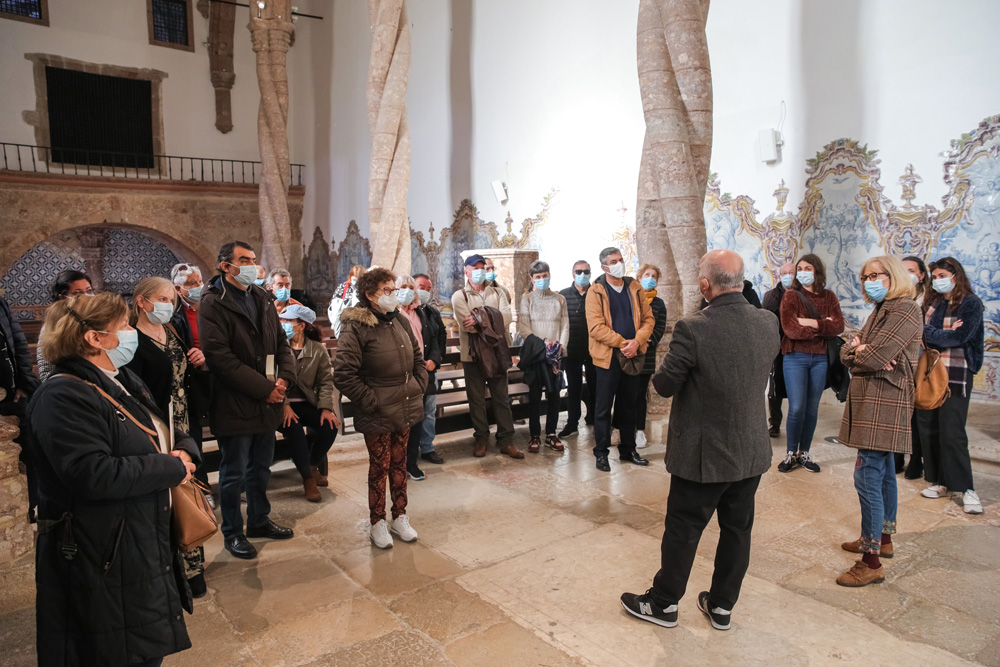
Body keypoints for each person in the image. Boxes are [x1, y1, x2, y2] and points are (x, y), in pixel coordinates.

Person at [27, 292, 200, 666]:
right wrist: (172, 468)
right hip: (102, 548)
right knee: (117, 651)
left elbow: (160, 425)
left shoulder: (117, 377)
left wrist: (186, 449)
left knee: (139, 644)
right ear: (94, 338)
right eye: (124, 326)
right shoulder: (62, 395)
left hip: (135, 538)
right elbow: (93, 474)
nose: (131, 331)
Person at [620, 250, 778, 632]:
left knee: (684, 528)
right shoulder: (768, 322)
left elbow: (664, 384)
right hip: (751, 449)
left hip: (704, 452)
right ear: (741, 280)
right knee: (737, 530)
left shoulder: (694, 327)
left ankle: (663, 604)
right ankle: (722, 606)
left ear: (705, 285)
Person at [199, 241, 297, 560]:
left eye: (253, 261)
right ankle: (233, 532)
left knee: (261, 467)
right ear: (225, 266)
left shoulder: (261, 296)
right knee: (234, 473)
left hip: (267, 399)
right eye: (243, 260)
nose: (251, 266)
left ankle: (258, 520)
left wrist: (284, 378)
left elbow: (281, 341)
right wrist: (264, 388)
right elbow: (220, 357)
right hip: (235, 400)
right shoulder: (213, 302)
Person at [835, 255, 922, 587]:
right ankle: (881, 540)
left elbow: (874, 356)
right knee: (883, 470)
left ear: (893, 275)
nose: (868, 280)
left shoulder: (904, 309)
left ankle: (870, 561)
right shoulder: (882, 309)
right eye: (864, 276)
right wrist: (860, 351)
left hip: (884, 402)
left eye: (875, 274)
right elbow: (848, 349)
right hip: (873, 398)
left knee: (867, 475)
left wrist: (863, 352)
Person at [125, 276, 208, 597]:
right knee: (165, 495)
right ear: (142, 302)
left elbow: (180, 371)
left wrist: (196, 362)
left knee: (189, 492)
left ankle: (193, 565)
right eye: (160, 298)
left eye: (171, 299)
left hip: (184, 423)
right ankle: (169, 567)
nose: (168, 305)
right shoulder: (131, 338)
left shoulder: (172, 329)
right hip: (157, 426)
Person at [333, 267, 428, 549]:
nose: (393, 295)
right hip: (377, 410)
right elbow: (344, 374)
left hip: (405, 404)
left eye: (393, 289)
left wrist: (418, 385)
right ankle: (377, 522)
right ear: (370, 295)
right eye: (387, 290)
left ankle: (400, 516)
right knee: (380, 467)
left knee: (400, 464)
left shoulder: (398, 319)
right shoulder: (356, 326)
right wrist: (371, 400)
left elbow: (417, 358)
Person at [916, 257, 985, 515]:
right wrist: (940, 335)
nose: (938, 279)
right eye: (935, 275)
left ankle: (966, 488)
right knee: (929, 428)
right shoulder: (932, 302)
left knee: (953, 432)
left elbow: (961, 336)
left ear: (955, 275)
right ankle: (940, 481)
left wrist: (937, 335)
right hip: (930, 372)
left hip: (957, 373)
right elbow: (923, 333)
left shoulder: (970, 303)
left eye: (942, 274)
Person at [586, 247, 654, 472]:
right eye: (613, 261)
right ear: (604, 267)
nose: (619, 263)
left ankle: (628, 449)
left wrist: (637, 341)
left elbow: (648, 319)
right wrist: (624, 343)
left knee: (629, 405)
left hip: (633, 355)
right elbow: (596, 328)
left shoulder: (634, 287)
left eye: (621, 259)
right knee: (603, 408)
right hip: (608, 357)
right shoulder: (595, 291)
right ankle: (601, 453)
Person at [777, 253, 845, 474]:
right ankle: (790, 454)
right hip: (795, 357)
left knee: (811, 409)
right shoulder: (791, 296)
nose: (803, 272)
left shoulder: (829, 296)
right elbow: (790, 328)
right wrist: (822, 326)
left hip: (820, 359)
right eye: (800, 268)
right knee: (796, 408)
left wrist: (810, 323)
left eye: (808, 268)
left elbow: (838, 327)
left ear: (817, 271)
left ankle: (804, 453)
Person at [452, 254, 523, 459]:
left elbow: (507, 318)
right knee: (477, 399)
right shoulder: (460, 296)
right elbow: (467, 326)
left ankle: (506, 440)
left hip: (497, 353)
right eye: (475, 267)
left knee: (501, 398)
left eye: (482, 267)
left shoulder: (498, 292)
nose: (480, 270)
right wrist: (492, 318)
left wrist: (481, 319)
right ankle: (481, 439)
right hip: (472, 356)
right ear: (466, 270)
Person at [278, 304, 340, 502]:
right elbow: (272, 380)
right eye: (282, 321)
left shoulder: (317, 350)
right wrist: (284, 406)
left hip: (307, 403)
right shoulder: (278, 347)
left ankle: (312, 465)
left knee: (330, 426)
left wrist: (325, 408)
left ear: (301, 325)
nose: (284, 324)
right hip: (280, 405)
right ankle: (308, 480)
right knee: (294, 429)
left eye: (288, 321)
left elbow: (325, 381)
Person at [518, 260, 569, 452]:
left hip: (555, 355)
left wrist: (560, 347)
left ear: (549, 275)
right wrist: (543, 344)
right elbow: (523, 326)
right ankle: (534, 435)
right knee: (534, 396)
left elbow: (565, 326)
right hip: (536, 354)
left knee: (554, 395)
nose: (541, 279)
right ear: (532, 279)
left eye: (544, 275)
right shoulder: (528, 299)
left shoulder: (559, 299)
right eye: (537, 277)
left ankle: (551, 434)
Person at [169, 262, 212, 489]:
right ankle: (201, 486)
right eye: (191, 284)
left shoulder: (212, 308)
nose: (197, 286)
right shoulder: (175, 316)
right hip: (191, 384)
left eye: (199, 281)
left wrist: (207, 355)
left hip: (216, 377)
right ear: (179, 290)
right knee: (193, 436)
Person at [0, 293, 41, 521]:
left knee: (27, 456)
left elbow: (18, 342)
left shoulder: (1, 303)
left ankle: (29, 510)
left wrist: (24, 380)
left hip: (15, 397)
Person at [395, 274, 431, 480]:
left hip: (419, 372)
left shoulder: (420, 313)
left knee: (417, 418)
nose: (407, 290)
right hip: (401, 374)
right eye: (403, 287)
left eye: (410, 287)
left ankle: (411, 462)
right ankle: (398, 463)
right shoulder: (392, 313)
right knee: (401, 421)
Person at [898, 255, 930, 479]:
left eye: (910, 270)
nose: (906, 274)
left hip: (920, 359)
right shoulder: (897, 296)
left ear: (920, 275)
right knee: (900, 411)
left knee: (917, 412)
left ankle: (916, 459)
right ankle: (897, 456)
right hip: (900, 357)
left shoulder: (928, 300)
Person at [558, 260, 596, 437]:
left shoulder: (597, 293)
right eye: (579, 271)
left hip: (594, 349)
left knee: (596, 386)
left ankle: (595, 418)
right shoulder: (563, 295)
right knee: (573, 388)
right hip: (571, 350)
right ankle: (572, 423)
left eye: (586, 271)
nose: (583, 274)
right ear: (573, 274)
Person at [37, 269, 94, 381]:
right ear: (62, 297)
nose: (86, 296)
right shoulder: (53, 325)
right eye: (77, 293)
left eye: (89, 291)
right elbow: (46, 369)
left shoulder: (94, 319)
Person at [413, 273, 446, 465]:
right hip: (412, 370)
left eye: (427, 288)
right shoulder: (404, 312)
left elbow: (439, 339)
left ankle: (427, 447)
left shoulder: (432, 312)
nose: (424, 291)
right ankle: (409, 448)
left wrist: (435, 359)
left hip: (430, 369)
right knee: (412, 411)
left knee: (429, 410)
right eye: (420, 287)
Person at [635, 263, 667, 449]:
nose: (650, 278)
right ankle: (621, 428)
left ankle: (640, 431)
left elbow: (659, 328)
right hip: (627, 351)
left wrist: (645, 343)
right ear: (639, 277)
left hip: (646, 353)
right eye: (647, 274)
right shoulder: (631, 298)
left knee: (640, 394)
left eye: (654, 275)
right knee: (624, 394)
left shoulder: (658, 304)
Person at [761, 262, 795, 438]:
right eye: (785, 273)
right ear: (779, 275)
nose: (788, 275)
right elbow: (765, 322)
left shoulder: (803, 294)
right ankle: (775, 423)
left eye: (791, 272)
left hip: (798, 348)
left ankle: (797, 424)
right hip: (777, 347)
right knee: (774, 389)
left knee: (797, 388)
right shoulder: (771, 296)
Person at [329, 264, 365, 338]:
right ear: (350, 276)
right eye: (354, 277)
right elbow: (333, 303)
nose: (355, 279)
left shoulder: (364, 288)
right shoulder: (343, 287)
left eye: (358, 278)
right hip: (343, 319)